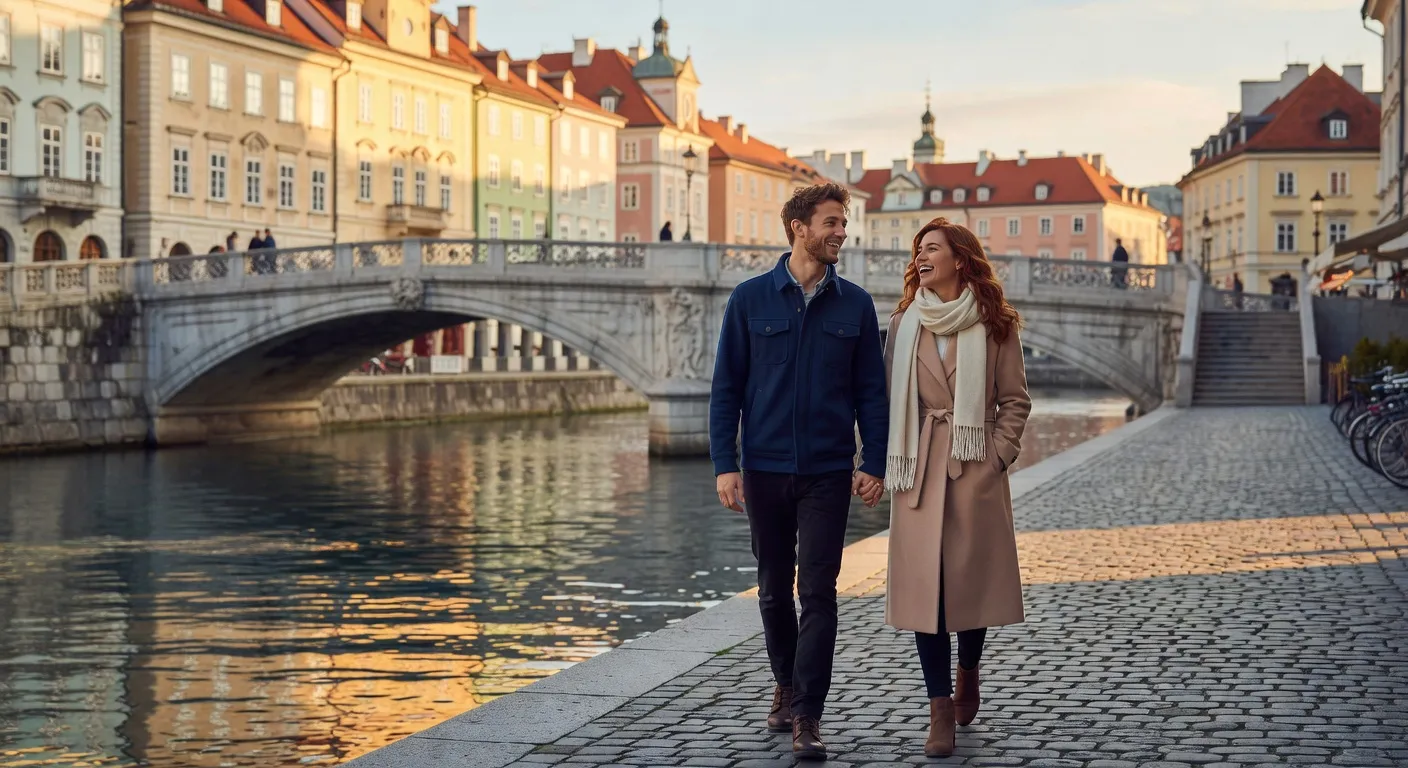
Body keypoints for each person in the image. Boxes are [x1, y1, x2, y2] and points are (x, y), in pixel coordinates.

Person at [709, 182, 888, 761]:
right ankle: (784, 683)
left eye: (844, 223)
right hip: (762, 469)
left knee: (818, 592)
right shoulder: (749, 298)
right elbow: (726, 390)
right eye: (832, 222)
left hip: (828, 471)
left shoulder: (856, 304)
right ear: (798, 227)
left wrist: (875, 461)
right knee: (770, 592)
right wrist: (724, 465)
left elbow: (872, 394)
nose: (842, 232)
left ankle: (808, 714)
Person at [882, 217, 1030, 758]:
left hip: (973, 467)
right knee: (928, 594)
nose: (921, 257)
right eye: (918, 249)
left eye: (933, 249)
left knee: (969, 587)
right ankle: (938, 709)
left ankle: (969, 668)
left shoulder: (996, 323)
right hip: (918, 468)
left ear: (960, 260)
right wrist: (875, 462)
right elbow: (885, 404)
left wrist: (997, 456)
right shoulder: (904, 324)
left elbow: (1015, 400)